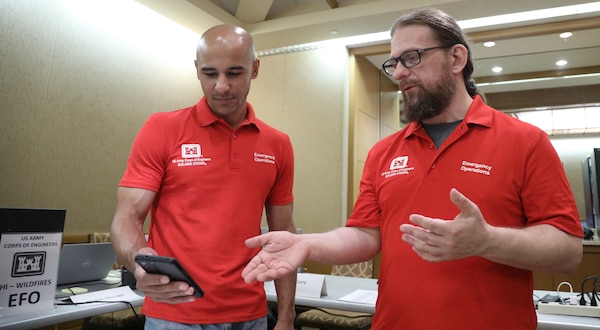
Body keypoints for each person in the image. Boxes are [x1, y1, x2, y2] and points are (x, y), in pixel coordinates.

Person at [241, 8, 583, 329]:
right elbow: (365, 234)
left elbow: (567, 250)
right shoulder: (384, 152)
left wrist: (487, 241)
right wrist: (309, 245)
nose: (400, 72)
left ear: (456, 58)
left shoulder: (525, 141)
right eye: (394, 63)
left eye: (412, 57)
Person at [111, 24, 297, 329]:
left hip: (250, 315)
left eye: (234, 73)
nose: (221, 86)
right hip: (175, 314)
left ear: (255, 69)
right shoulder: (161, 129)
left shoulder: (278, 144)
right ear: (197, 70)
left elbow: (284, 235)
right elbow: (127, 217)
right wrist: (138, 263)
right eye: (210, 74)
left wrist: (287, 317)